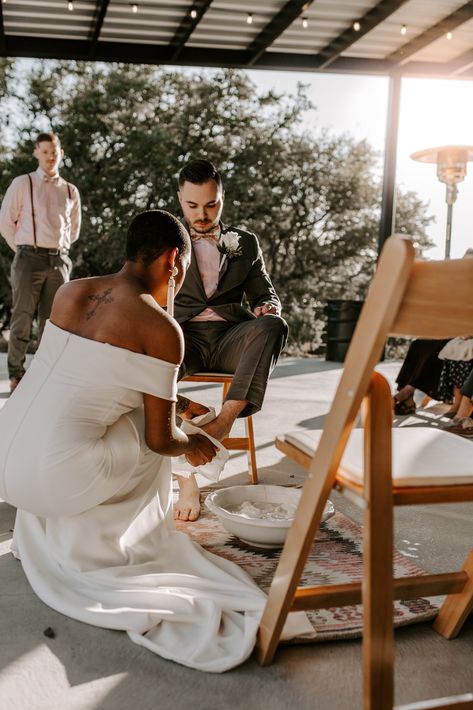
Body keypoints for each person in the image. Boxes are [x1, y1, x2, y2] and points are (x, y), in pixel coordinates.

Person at [0, 210, 271, 672]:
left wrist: (180, 402)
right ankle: (127, 544)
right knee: (157, 439)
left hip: (9, 463)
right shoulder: (162, 329)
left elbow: (96, 372)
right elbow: (161, 440)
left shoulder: (71, 292)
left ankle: (68, 531)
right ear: (173, 261)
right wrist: (194, 444)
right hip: (55, 480)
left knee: (122, 416)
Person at [173, 159, 288, 521]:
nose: (202, 214)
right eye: (192, 206)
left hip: (229, 338)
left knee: (275, 326)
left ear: (222, 197)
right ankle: (186, 478)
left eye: (211, 204)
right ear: (179, 199)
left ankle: (221, 423)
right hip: (182, 335)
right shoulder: (166, 239)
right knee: (145, 363)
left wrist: (267, 307)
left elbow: (264, 293)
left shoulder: (245, 243)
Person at [0, 132, 81, 393]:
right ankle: (17, 375)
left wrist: (60, 251)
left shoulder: (70, 190)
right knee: (22, 317)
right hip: (28, 257)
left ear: (61, 153)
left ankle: (45, 376)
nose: (50, 156)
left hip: (58, 260)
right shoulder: (23, 183)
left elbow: (74, 230)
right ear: (36, 152)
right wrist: (23, 250)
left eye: (54, 151)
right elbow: (5, 222)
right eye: (45, 151)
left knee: (54, 322)